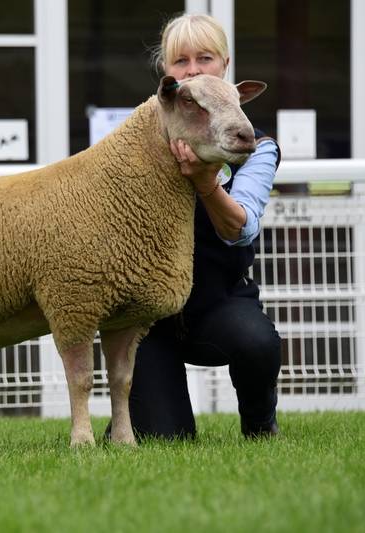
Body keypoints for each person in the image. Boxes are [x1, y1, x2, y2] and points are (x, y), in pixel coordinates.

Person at [113, 13, 282, 440]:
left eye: (204, 58)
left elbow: (239, 228)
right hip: (150, 316)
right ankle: (127, 425)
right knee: (166, 440)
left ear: (225, 65)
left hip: (218, 303)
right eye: (181, 61)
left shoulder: (255, 145)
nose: (193, 70)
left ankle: (260, 425)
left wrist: (207, 182)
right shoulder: (137, 140)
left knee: (257, 341)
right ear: (166, 75)